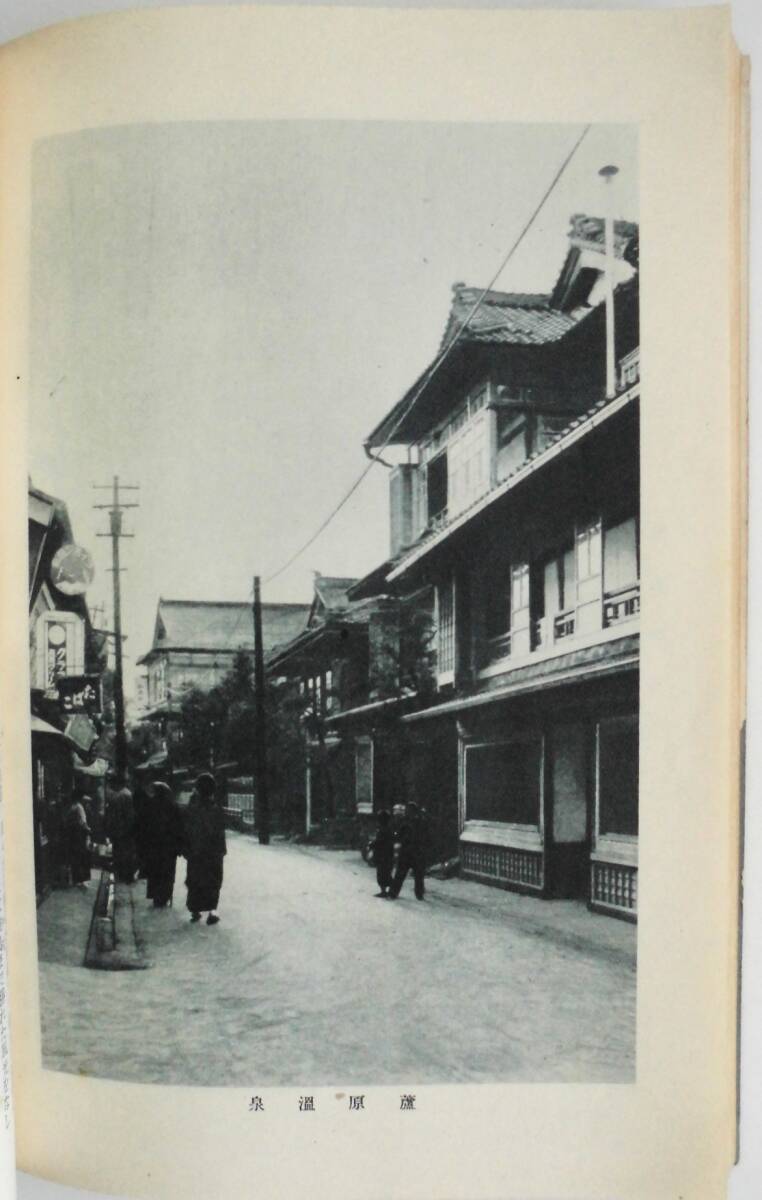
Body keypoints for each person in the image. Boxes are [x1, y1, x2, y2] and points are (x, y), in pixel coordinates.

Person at [183, 773, 226, 925]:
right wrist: (222, 850)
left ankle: (195, 910)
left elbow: (186, 831)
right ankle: (212, 910)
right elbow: (220, 833)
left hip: (196, 852)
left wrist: (186, 849)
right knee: (213, 880)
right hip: (213, 853)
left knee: (195, 880)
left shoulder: (192, 809)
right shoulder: (216, 809)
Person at [143, 782, 183, 908]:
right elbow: (179, 828)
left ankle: (155, 896)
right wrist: (180, 846)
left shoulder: (150, 805)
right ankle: (165, 896)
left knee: (154, 871)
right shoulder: (173, 806)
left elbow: (145, 825)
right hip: (169, 847)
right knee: (168, 872)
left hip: (154, 845)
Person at [388, 801, 429, 901]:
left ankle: (393, 893)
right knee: (418, 874)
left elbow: (399, 836)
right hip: (416, 852)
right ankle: (419, 894)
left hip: (406, 852)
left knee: (401, 874)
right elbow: (426, 836)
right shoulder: (421, 821)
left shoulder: (405, 822)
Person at [105, 774, 138, 884]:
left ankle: (122, 875)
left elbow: (117, 815)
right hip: (125, 830)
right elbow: (130, 816)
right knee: (127, 853)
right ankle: (126, 876)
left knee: (121, 853)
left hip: (120, 830)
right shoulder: (126, 794)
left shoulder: (120, 795)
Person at [63, 792, 92, 890]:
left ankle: (77, 879)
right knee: (81, 857)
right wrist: (89, 830)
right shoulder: (79, 807)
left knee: (75, 858)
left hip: (72, 836)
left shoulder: (72, 807)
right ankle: (81, 880)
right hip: (79, 835)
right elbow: (83, 822)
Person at [371, 809, 395, 897]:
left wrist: (372, 845)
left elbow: (380, 842)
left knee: (382, 874)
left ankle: (385, 891)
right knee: (386, 873)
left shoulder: (383, 830)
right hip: (387, 855)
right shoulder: (387, 829)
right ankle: (390, 890)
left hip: (383, 855)